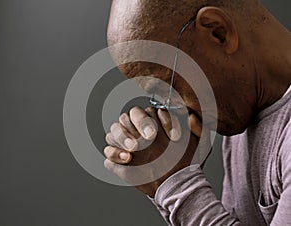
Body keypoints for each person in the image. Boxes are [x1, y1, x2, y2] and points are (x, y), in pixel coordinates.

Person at [103, 0, 291, 225]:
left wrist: (179, 188)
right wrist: (168, 186)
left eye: (169, 87)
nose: (173, 109)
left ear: (218, 32)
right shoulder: (247, 111)